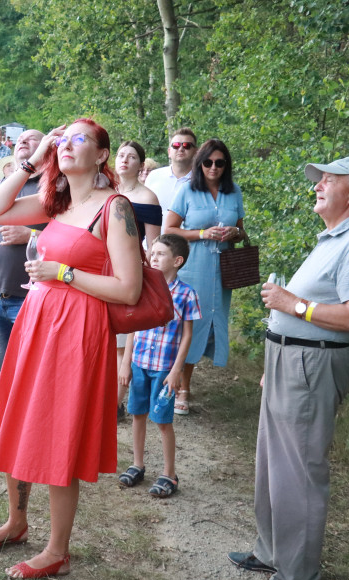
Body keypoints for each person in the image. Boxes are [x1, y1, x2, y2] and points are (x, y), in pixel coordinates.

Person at [0, 119, 143, 579]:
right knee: (20, 416)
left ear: (103, 155)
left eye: (80, 139)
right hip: (38, 322)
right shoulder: (56, 203)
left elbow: (129, 289)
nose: (68, 146)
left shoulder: (115, 207)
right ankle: (16, 521)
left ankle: (57, 550)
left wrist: (64, 274)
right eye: (63, 141)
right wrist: (35, 155)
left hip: (77, 330)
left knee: (58, 429)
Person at [229, 157, 349, 580]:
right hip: (289, 362)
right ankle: (272, 551)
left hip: (312, 367)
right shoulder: (333, 239)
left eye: (328, 181)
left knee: (299, 470)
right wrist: (274, 356)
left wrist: (293, 306)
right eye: (319, 180)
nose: (318, 187)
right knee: (272, 463)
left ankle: (298, 578)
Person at [0, 129, 46, 456]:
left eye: (33, 140)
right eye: (21, 141)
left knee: (31, 373)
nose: (23, 144)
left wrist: (30, 235)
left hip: (29, 299)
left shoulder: (53, 187)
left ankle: (28, 439)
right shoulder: (6, 184)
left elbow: (72, 235)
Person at [162, 139, 246, 415]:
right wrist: (201, 234)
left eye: (220, 163)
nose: (213, 167)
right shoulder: (188, 190)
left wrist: (235, 233)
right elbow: (170, 229)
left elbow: (242, 231)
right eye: (208, 162)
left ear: (226, 165)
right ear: (200, 164)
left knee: (209, 323)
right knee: (190, 325)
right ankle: (179, 387)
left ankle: (184, 383)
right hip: (193, 267)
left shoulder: (234, 193)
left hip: (221, 271)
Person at [118, 234, 201, 498]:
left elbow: (187, 335)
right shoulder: (141, 287)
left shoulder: (187, 294)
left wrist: (177, 370)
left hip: (165, 369)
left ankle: (169, 474)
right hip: (140, 363)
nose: (153, 257)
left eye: (160, 254)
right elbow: (133, 326)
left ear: (177, 261)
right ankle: (137, 464)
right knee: (137, 414)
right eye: (152, 253)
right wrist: (125, 364)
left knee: (162, 420)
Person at [113, 140, 164, 419]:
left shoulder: (148, 198)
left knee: (122, 340)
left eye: (131, 157)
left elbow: (154, 243)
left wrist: (148, 276)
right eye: (121, 155)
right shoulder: (104, 189)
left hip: (130, 269)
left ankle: (115, 404)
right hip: (99, 268)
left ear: (140, 165)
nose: (125, 160)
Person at [144, 127, 196, 213]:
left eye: (187, 145)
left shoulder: (203, 181)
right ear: (169, 152)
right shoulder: (153, 176)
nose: (181, 149)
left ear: (196, 152)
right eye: (176, 145)